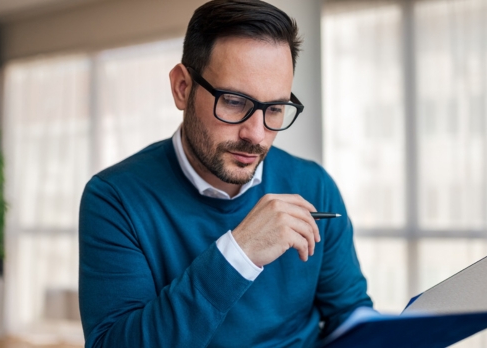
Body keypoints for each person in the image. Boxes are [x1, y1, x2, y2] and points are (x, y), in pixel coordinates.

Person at [78, 0, 372, 347]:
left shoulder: (314, 185)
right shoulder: (114, 198)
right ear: (182, 88)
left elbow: (351, 317)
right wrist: (238, 254)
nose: (256, 135)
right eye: (234, 101)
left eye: (275, 109)